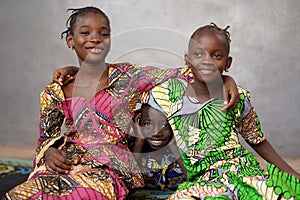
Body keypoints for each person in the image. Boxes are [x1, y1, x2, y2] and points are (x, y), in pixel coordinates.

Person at [4, 7, 239, 200]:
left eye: (103, 33)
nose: (95, 38)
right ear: (70, 40)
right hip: (68, 161)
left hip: (109, 166)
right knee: (23, 195)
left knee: (84, 195)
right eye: (85, 33)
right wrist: (50, 153)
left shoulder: (129, 77)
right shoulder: (55, 91)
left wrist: (226, 79)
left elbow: (185, 73)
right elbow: (45, 140)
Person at [141, 23, 300, 200]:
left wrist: (293, 174)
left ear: (227, 62)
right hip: (204, 179)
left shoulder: (236, 97)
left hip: (241, 170)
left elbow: (257, 140)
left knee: (270, 194)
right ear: (187, 60)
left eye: (216, 55)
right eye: (198, 54)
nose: (206, 61)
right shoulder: (166, 96)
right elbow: (148, 123)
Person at [129, 104, 186, 192]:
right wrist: (140, 141)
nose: (156, 133)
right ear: (139, 124)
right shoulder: (132, 145)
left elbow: (194, 181)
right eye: (147, 124)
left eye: (164, 125)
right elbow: (127, 179)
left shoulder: (187, 147)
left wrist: (173, 146)